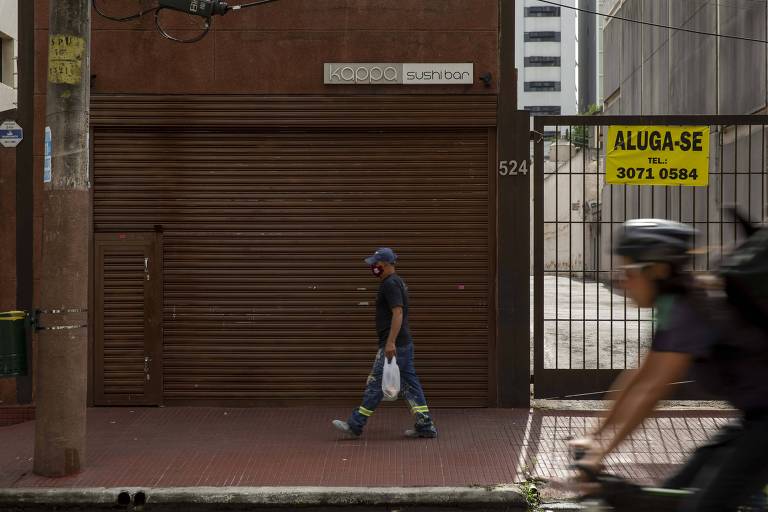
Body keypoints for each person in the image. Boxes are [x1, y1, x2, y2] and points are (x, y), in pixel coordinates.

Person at [570, 219, 768, 512]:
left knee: (699, 505)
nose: (620, 280)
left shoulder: (691, 311)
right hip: (754, 419)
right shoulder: (673, 306)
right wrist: (595, 434)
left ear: (658, 270)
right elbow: (639, 376)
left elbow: (652, 391)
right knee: (672, 494)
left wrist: (601, 453)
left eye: (629, 272)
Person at [332, 247, 437, 439]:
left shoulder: (390, 284)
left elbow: (398, 313)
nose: (373, 267)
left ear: (386, 264)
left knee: (376, 383)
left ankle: (355, 424)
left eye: (376, 263)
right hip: (403, 344)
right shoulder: (395, 282)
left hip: (396, 345)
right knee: (410, 386)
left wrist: (390, 343)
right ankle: (425, 425)